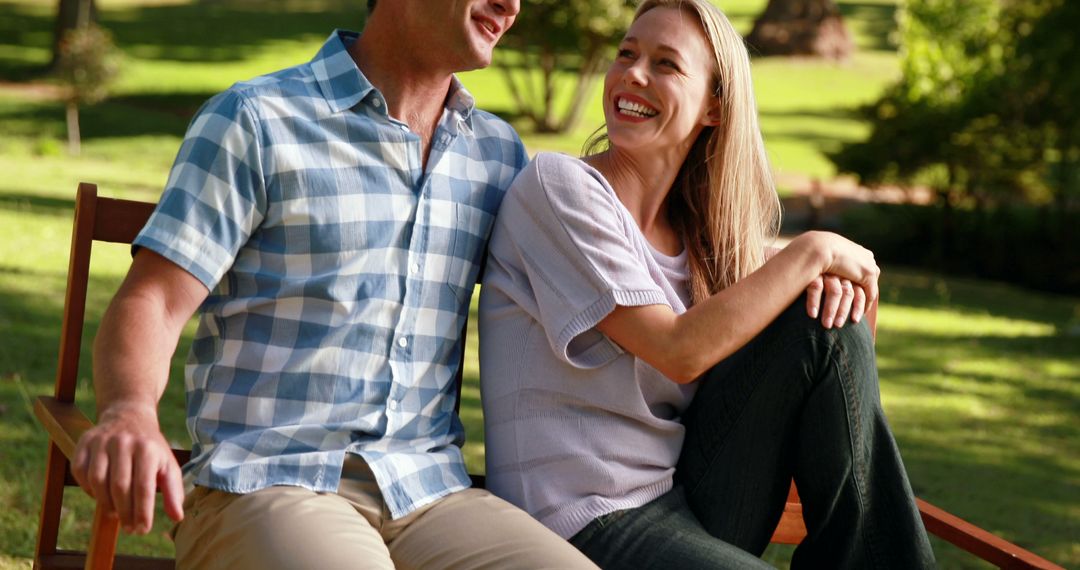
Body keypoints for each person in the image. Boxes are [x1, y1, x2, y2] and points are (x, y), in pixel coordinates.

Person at [69, 1, 599, 568]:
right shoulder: (257, 119)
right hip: (267, 484)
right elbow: (154, 299)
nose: (511, 4)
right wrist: (128, 412)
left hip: (430, 494)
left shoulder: (495, 154)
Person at [478, 0, 936, 568]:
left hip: (685, 495)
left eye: (666, 64)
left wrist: (826, 290)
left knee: (826, 328)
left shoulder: (700, 237)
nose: (632, 74)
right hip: (578, 520)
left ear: (714, 108)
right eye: (627, 53)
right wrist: (814, 251)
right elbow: (678, 350)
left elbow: (822, 356)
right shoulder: (559, 187)